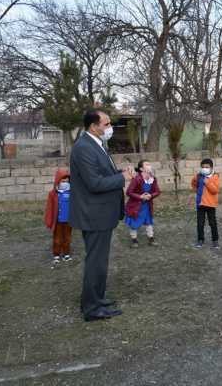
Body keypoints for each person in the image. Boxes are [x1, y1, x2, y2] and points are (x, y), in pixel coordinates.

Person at [69, 109, 134, 322]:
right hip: (94, 215)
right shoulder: (84, 148)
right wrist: (122, 178)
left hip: (100, 213)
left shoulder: (95, 144)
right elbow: (95, 183)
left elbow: (102, 175)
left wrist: (117, 173)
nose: (109, 128)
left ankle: (96, 298)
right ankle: (92, 308)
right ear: (93, 126)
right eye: (106, 124)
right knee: (95, 262)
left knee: (98, 260)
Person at [124, 160, 161, 248]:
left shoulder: (153, 178)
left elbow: (158, 191)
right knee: (134, 223)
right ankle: (134, 240)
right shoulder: (137, 179)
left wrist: (151, 195)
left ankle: (151, 239)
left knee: (149, 222)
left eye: (149, 163)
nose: (149, 165)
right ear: (141, 168)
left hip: (147, 205)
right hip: (136, 206)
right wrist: (140, 197)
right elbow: (129, 192)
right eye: (147, 164)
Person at [44, 168, 73, 267]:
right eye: (62, 181)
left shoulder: (72, 192)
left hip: (69, 221)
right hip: (58, 221)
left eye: (66, 181)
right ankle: (56, 254)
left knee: (67, 238)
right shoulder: (53, 194)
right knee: (57, 238)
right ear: (57, 180)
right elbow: (49, 208)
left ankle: (66, 253)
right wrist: (48, 220)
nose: (65, 183)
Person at [192, 158, 221, 249]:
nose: (205, 168)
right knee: (200, 223)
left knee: (212, 223)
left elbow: (215, 190)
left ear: (211, 168)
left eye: (207, 167)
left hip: (211, 204)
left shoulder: (215, 177)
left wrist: (207, 182)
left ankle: (215, 240)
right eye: (203, 167)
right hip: (200, 204)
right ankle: (200, 239)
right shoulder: (199, 176)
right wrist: (197, 191)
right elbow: (193, 184)